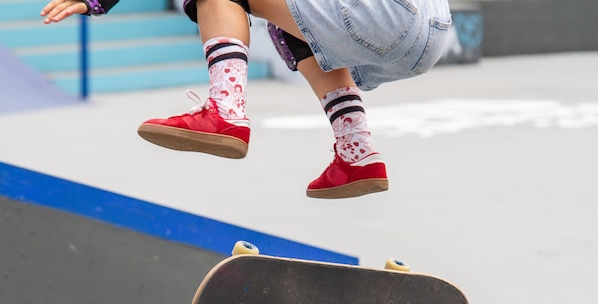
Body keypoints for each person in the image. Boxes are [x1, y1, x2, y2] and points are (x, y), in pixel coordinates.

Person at [41, 0, 451, 199]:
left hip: (383, 17)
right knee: (290, 23)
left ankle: (226, 111)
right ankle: (356, 149)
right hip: (431, 29)